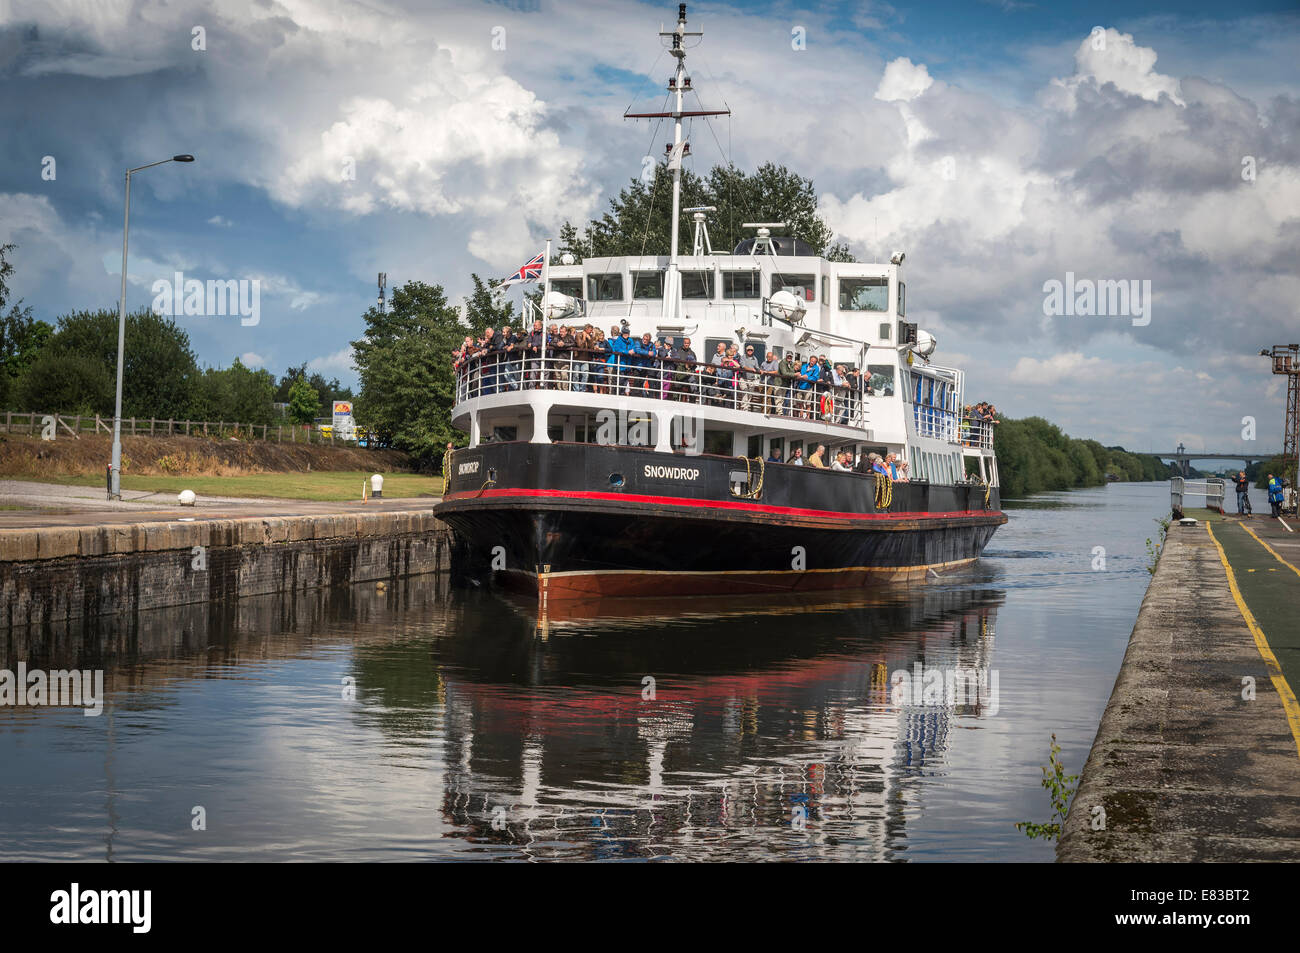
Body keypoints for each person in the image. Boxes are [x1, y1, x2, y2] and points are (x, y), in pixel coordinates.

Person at [739, 344, 761, 411]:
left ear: (753, 351)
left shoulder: (755, 358)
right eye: (748, 350)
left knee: (750, 395)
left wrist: (761, 371)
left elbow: (757, 368)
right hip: (743, 378)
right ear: (746, 350)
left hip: (752, 379)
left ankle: (745, 407)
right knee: (745, 392)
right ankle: (744, 408)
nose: (750, 351)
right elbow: (743, 366)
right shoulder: (743, 357)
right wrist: (751, 369)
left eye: (751, 350)